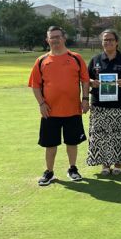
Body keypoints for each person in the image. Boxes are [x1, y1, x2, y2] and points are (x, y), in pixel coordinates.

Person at [28, 26, 90, 186]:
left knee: (72, 142)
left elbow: (84, 80)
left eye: (57, 36)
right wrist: (41, 103)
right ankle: (49, 172)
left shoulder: (76, 58)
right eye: (51, 37)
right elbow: (35, 85)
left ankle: (73, 169)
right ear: (47, 40)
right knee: (50, 144)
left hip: (72, 109)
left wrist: (85, 99)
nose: (55, 40)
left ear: (64, 38)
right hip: (50, 111)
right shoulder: (41, 60)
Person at [86, 29, 121, 175]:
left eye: (110, 40)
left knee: (120, 135)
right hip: (100, 106)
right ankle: (104, 165)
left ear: (116, 42)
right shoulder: (95, 60)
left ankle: (118, 164)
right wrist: (92, 82)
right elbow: (85, 79)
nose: (107, 42)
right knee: (102, 136)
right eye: (105, 40)